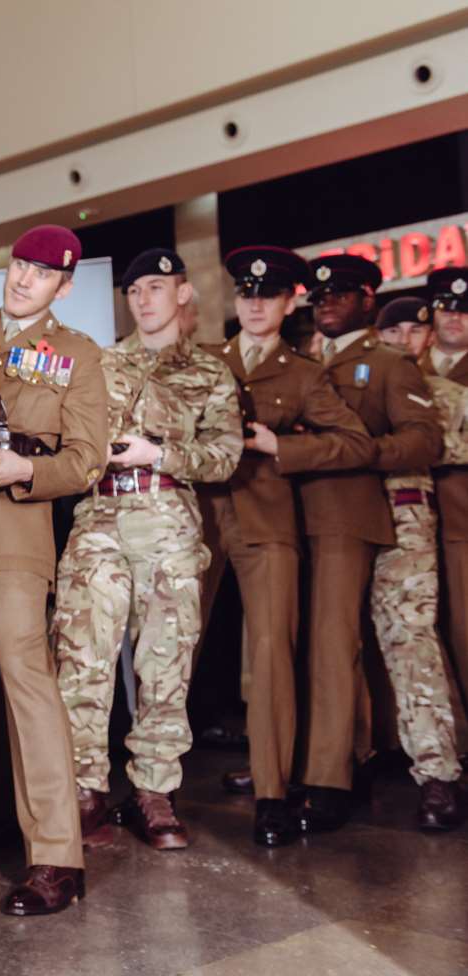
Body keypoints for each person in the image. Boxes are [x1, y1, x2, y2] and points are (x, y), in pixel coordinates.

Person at [0, 225, 105, 914]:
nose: (21, 279)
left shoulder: (76, 354)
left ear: (63, 285)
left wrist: (26, 468)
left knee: (23, 673)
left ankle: (57, 855)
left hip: (13, 522)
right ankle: (4, 812)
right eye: (17, 266)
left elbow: (87, 460)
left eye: (39, 274)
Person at [52, 248, 242, 850]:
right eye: (134, 289)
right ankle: (84, 789)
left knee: (166, 660)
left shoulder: (210, 372)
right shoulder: (99, 364)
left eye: (156, 287)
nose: (143, 298)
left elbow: (226, 456)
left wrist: (161, 454)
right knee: (83, 656)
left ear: (183, 294)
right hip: (101, 512)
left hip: (168, 515)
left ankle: (155, 791)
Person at [196, 246, 374, 846]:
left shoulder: (303, 373)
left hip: (266, 523)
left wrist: (283, 449)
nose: (254, 305)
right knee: (168, 652)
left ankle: (272, 793)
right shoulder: (204, 360)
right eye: (246, 295)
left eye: (267, 296)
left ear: (288, 301)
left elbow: (355, 444)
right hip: (194, 521)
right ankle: (152, 792)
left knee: (270, 656)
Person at [294, 254, 442, 835]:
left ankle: (331, 778)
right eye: (320, 296)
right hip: (291, 515)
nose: (327, 302)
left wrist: (354, 451)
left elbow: (424, 439)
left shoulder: (386, 362)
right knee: (308, 645)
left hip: (357, 513)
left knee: (339, 644)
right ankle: (332, 759)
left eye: (343, 293)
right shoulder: (298, 362)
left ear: (368, 302)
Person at [369, 295, 465, 829]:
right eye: (393, 329)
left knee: (412, 643)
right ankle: (350, 759)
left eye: (415, 329)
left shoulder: (446, 394)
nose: (405, 338)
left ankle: (437, 772)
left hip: (409, 523)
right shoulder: (351, 382)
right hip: (340, 522)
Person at [423, 267, 468, 759]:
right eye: (447, 308)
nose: (454, 318)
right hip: (408, 523)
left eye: (464, 310)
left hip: (461, 523)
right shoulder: (408, 365)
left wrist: (417, 445)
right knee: (419, 641)